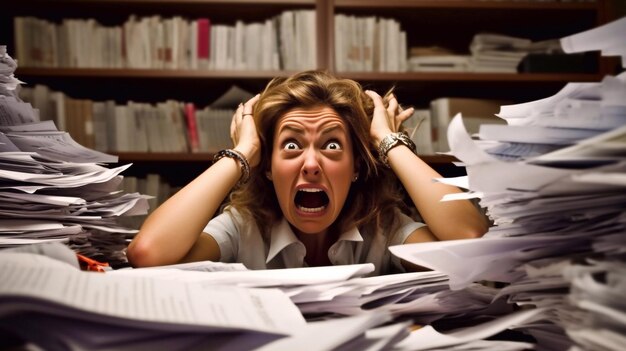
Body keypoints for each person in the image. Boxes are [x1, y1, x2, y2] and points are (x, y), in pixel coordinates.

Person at [127, 70, 488, 275]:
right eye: (291, 146)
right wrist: (242, 153)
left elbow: (469, 243)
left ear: (357, 168)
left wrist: (387, 141)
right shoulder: (243, 227)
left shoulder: (385, 229)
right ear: (267, 168)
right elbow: (148, 253)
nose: (311, 164)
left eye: (332, 146)